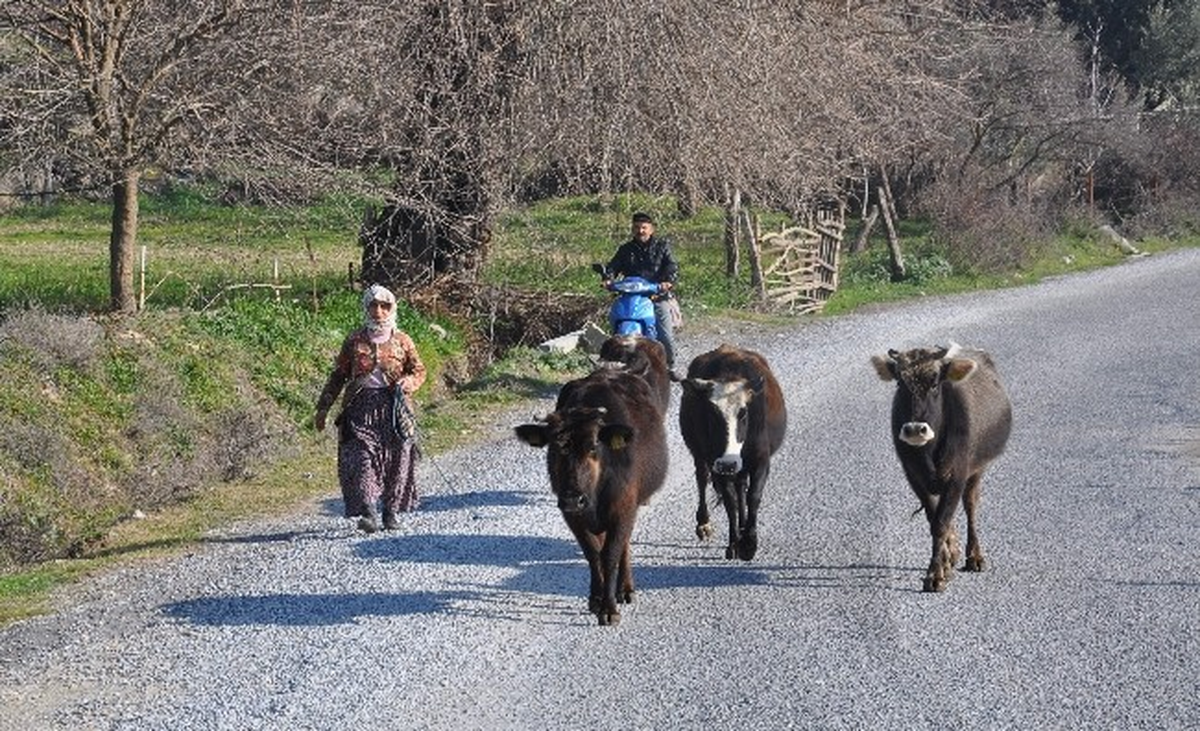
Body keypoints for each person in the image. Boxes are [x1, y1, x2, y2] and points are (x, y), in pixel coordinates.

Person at [314, 284, 427, 533]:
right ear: (366, 308)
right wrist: (323, 408)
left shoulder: (403, 340)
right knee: (362, 458)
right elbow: (339, 375)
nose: (378, 311)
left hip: (395, 409)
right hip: (360, 409)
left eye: (384, 306)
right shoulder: (355, 340)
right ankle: (368, 512)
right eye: (373, 305)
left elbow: (418, 370)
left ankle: (391, 511)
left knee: (398, 458)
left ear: (392, 309)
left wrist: (407, 383)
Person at [603, 211, 681, 369]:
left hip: (657, 295)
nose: (640, 231)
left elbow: (672, 265)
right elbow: (613, 266)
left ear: (651, 229)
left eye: (644, 227)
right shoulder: (625, 249)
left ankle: (670, 366)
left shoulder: (662, 246)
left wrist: (668, 281)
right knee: (614, 319)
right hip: (629, 296)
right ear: (632, 229)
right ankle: (609, 360)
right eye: (637, 227)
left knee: (665, 335)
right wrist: (608, 277)